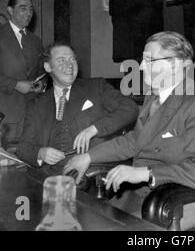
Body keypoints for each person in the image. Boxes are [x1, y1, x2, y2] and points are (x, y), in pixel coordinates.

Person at [64, 31, 195, 216]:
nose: (141, 67)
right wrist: (88, 157)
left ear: (174, 65)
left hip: (163, 200)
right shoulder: (154, 96)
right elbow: (136, 140)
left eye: (149, 61)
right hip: (134, 195)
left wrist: (146, 173)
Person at [16, 42, 139, 175]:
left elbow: (129, 108)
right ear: (48, 67)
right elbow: (23, 147)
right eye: (61, 60)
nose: (69, 65)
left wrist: (94, 128)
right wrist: (41, 153)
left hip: (89, 173)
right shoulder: (37, 104)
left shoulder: (96, 87)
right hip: (49, 175)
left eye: (72, 59)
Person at [0, 0, 45, 145]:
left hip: (31, 114)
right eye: (23, 8)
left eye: (31, 9)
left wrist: (41, 84)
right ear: (10, 10)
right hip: (5, 114)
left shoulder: (36, 41)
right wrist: (16, 84)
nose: (28, 13)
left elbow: (41, 72)